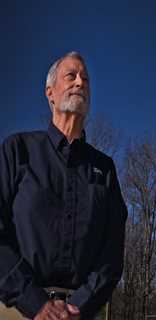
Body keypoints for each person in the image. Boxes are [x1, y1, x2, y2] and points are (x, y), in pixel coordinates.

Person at [0, 52, 127, 320]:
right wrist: (36, 303)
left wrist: (79, 306)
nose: (80, 82)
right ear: (50, 93)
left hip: (82, 313)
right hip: (16, 309)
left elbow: (111, 254)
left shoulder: (104, 169)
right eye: (71, 76)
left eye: (86, 79)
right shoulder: (17, 150)